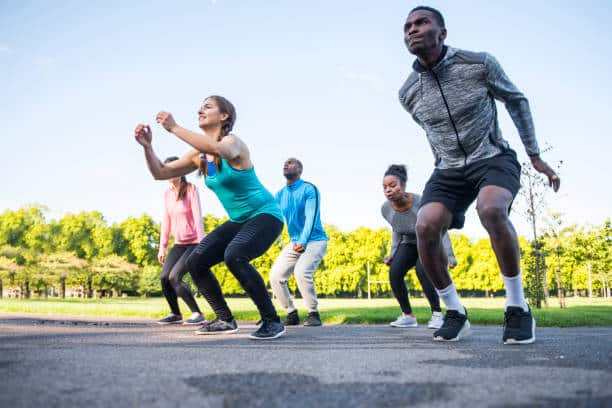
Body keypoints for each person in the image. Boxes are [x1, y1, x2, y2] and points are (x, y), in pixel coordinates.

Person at [398, 6, 560, 343]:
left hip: (492, 157)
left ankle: (517, 307)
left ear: (442, 33)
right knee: (425, 225)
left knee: (490, 209)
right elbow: (433, 133)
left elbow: (516, 101)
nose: (412, 29)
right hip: (448, 169)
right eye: (407, 26)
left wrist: (535, 156)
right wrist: (444, 174)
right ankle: (454, 311)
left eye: (422, 22)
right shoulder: (408, 93)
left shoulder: (478, 64)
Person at [134, 95, 286, 340]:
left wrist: (173, 128)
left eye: (207, 107)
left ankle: (272, 321)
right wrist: (148, 147)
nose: (200, 111)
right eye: (200, 107)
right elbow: (160, 172)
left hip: (265, 215)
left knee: (234, 255)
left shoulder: (233, 142)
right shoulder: (200, 155)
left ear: (224, 116)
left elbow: (218, 148)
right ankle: (225, 319)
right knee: (196, 261)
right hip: (239, 220)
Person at [382, 164, 456, 330]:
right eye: (385, 187)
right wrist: (392, 253)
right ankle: (408, 316)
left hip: (430, 241)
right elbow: (397, 229)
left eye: (392, 185)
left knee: (422, 270)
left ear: (403, 185)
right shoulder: (385, 209)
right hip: (408, 242)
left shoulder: (422, 202)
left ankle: (437, 314)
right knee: (395, 271)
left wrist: (449, 255)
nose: (388, 190)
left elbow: (440, 229)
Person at [269, 158, 328, 327]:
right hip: (294, 242)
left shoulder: (309, 189)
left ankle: (313, 314)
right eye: (285, 163)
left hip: (315, 240)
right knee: (275, 276)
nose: (286, 164)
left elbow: (312, 216)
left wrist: (303, 240)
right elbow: (275, 220)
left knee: (301, 272)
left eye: (291, 163)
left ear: (300, 170)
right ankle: (291, 313)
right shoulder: (280, 194)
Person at [156, 156, 206, 325]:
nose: (170, 172)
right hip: (178, 244)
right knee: (164, 277)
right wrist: (162, 247)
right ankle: (175, 314)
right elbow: (166, 221)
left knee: (175, 276)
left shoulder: (191, 189)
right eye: (167, 169)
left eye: (174, 169)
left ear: (181, 171)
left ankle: (197, 313)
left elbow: (198, 217)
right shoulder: (167, 194)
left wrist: (201, 243)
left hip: (194, 242)